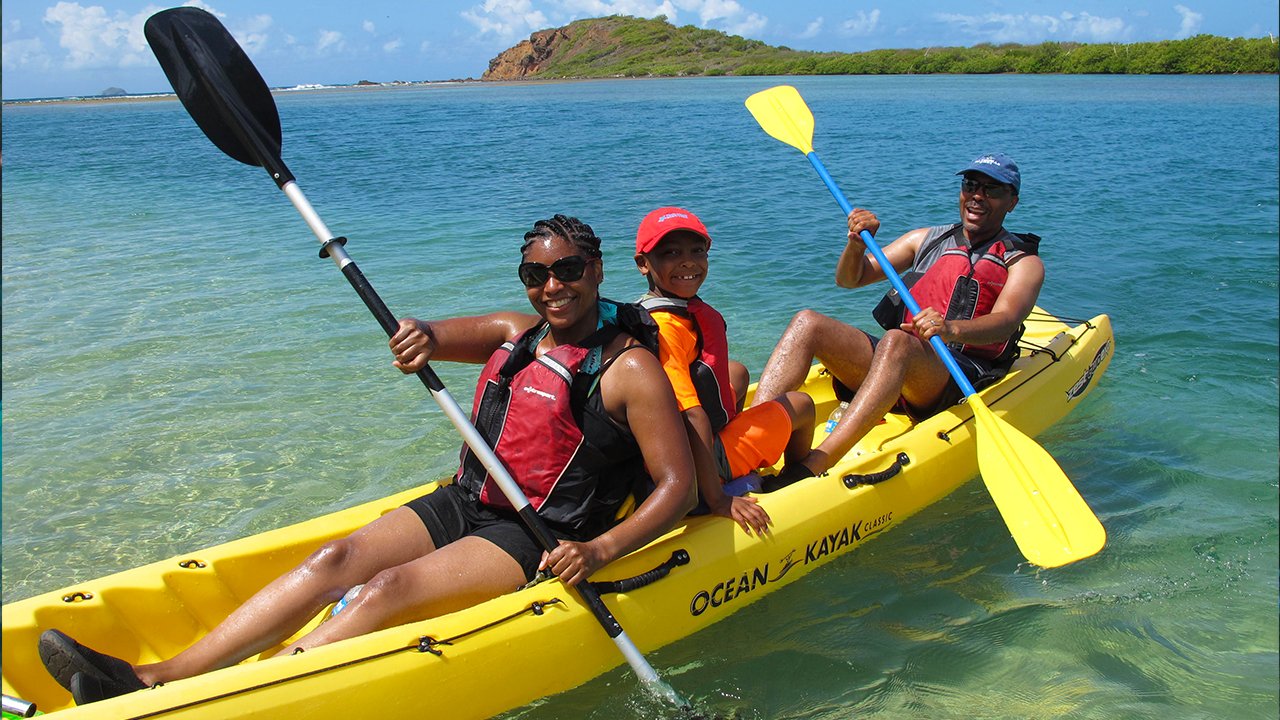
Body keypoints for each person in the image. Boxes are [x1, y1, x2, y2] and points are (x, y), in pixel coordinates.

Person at [38, 214, 697, 705]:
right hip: (470, 498)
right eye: (536, 274)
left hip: (538, 531)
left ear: (597, 270)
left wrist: (599, 551)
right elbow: (432, 336)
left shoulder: (629, 368)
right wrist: (416, 337)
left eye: (568, 270)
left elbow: (676, 486)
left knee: (385, 590)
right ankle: (155, 676)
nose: (553, 286)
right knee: (333, 562)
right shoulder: (512, 332)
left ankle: (236, 693)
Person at [751, 154, 1044, 480]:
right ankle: (751, 440)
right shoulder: (927, 239)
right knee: (808, 322)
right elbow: (851, 278)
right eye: (971, 185)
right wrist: (856, 245)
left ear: (1012, 202)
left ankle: (813, 464)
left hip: (957, 375)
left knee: (897, 341)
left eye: (992, 190)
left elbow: (1007, 319)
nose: (977, 195)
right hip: (901, 361)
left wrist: (950, 329)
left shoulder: (1023, 262)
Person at [633, 206, 815, 535]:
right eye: (671, 252)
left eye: (696, 251)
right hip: (687, 456)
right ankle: (792, 477)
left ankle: (731, 455)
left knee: (737, 372)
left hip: (670, 442)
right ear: (644, 263)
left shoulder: (655, 311)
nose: (688, 261)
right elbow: (692, 417)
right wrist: (718, 501)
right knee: (801, 404)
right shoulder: (665, 328)